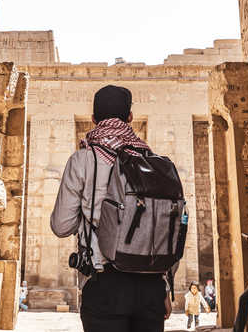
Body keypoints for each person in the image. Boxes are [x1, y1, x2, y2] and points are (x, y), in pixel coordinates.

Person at [51, 85, 172, 331]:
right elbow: (164, 228)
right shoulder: (153, 162)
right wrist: (165, 287)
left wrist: (88, 215)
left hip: (105, 282)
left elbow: (61, 226)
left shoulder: (83, 160)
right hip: (151, 286)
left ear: (94, 119)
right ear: (130, 118)